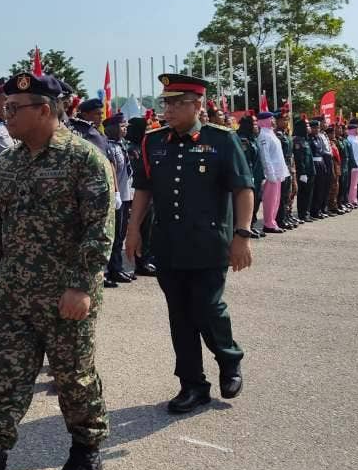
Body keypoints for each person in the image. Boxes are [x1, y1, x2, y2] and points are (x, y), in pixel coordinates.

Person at [0, 71, 114, 470]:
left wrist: (81, 286)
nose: (6, 114)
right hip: (14, 295)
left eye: (15, 109)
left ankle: (86, 452)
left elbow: (99, 229)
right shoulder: (9, 162)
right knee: (4, 380)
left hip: (64, 297)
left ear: (44, 110)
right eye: (6, 108)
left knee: (74, 378)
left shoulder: (84, 159)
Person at [125, 73, 254, 414]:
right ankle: (192, 384)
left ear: (197, 105)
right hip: (168, 243)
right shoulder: (153, 142)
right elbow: (143, 190)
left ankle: (229, 359)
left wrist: (242, 235)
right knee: (180, 316)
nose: (167, 109)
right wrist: (133, 230)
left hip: (209, 243)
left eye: (176, 103)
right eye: (165, 102)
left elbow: (243, 189)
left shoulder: (222, 140)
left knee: (208, 308)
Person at [102, 111, 134, 284]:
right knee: (114, 236)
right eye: (122, 126)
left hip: (126, 195)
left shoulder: (122, 145)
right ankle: (111, 269)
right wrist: (115, 194)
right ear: (112, 128)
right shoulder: (107, 146)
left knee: (121, 235)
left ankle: (118, 267)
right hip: (117, 196)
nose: (125, 129)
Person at [123, 116, 157, 275]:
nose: (149, 130)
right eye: (147, 127)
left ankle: (146, 259)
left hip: (143, 191)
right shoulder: (133, 148)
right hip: (136, 192)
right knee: (142, 229)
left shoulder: (143, 145)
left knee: (148, 229)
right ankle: (142, 262)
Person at [256, 112, 289, 234]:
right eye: (271, 119)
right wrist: (270, 173)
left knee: (276, 199)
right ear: (264, 121)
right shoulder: (264, 135)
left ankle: (272, 222)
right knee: (270, 200)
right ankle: (268, 223)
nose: (273, 121)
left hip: (278, 172)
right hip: (272, 173)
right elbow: (265, 156)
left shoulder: (271, 133)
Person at [236, 116, 264, 236]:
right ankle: (246, 227)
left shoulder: (253, 138)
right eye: (254, 124)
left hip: (257, 174)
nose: (257, 126)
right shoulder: (243, 140)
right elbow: (244, 161)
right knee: (249, 201)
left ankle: (252, 225)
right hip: (249, 175)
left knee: (257, 199)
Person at [293, 117, 315, 221]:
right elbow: (299, 158)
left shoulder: (306, 139)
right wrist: (302, 172)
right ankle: (302, 214)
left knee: (309, 193)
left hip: (310, 170)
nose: (309, 127)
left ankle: (307, 212)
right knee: (303, 193)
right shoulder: (297, 140)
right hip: (303, 172)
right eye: (306, 125)